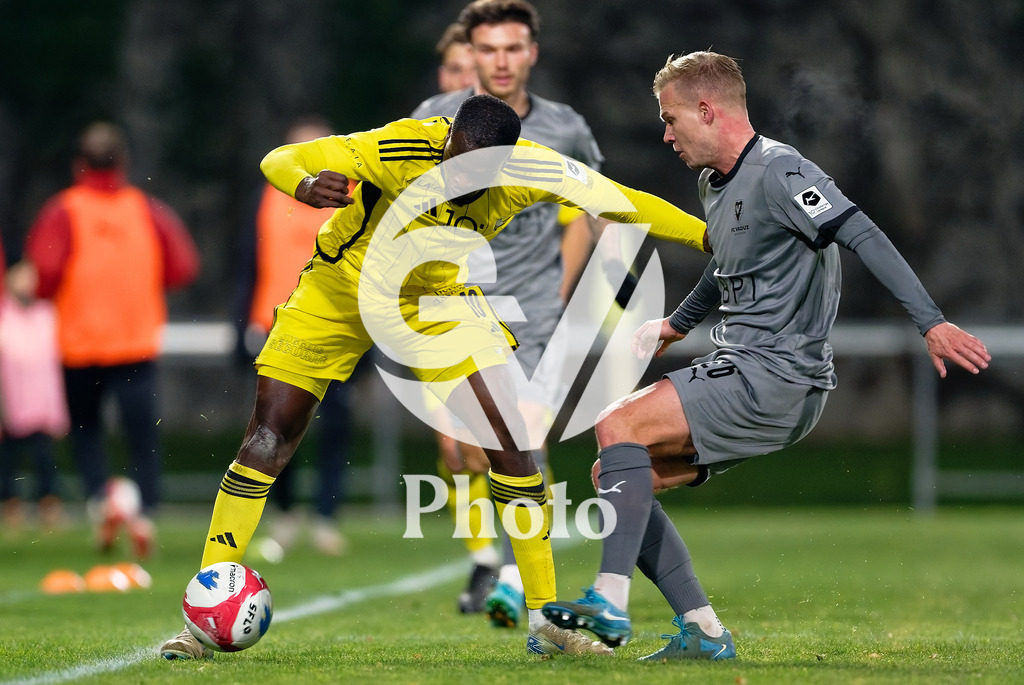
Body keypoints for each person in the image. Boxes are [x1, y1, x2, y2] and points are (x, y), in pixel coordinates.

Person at [159, 93, 710, 660]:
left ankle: (546, 621)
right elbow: (280, 157)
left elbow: (624, 202)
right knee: (267, 440)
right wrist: (300, 185)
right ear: (447, 141)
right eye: (455, 160)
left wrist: (706, 235)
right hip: (340, 291)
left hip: (436, 302)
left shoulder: (532, 168)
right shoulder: (399, 144)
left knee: (512, 445)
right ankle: (203, 621)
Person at [541, 51, 991, 662]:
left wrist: (930, 322)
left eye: (671, 118)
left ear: (707, 110)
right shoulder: (712, 183)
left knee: (615, 422)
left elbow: (862, 233)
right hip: (756, 372)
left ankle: (608, 600)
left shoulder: (782, 171)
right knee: (619, 475)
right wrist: (678, 322)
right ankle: (703, 633)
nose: (665, 133)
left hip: (777, 375)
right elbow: (727, 266)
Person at [412, 0, 604, 626]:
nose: (501, 61)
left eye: (512, 48)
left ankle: (522, 579)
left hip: (530, 313)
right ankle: (491, 558)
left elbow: (594, 207)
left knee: (523, 437)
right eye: (489, 49)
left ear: (531, 53)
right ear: (472, 53)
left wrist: (563, 284)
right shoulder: (433, 120)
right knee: (464, 452)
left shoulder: (565, 126)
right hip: (449, 307)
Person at [24, 121, 200, 558]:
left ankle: (101, 502)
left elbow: (43, 276)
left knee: (86, 432)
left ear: (78, 165)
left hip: (80, 345)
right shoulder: (146, 209)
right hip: (135, 342)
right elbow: (182, 267)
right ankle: (143, 508)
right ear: (123, 163)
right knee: (142, 434)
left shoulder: (63, 210)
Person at [234, 115, 356, 558]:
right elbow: (250, 265)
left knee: (336, 428)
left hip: (340, 327)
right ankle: (283, 514)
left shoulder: (354, 194)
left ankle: (326, 515)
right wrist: (242, 324)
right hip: (278, 324)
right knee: (275, 425)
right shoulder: (266, 199)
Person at [0, 260, 69, 532]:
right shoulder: (5, 316)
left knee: (44, 459)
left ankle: (48, 505)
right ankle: (11, 506)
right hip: (10, 404)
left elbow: (51, 365)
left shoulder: (45, 314)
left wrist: (56, 410)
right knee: (9, 461)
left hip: (40, 404)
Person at [435, 22, 478, 93]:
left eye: (476, 69)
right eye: (456, 70)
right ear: (442, 77)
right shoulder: (428, 104)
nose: (466, 81)